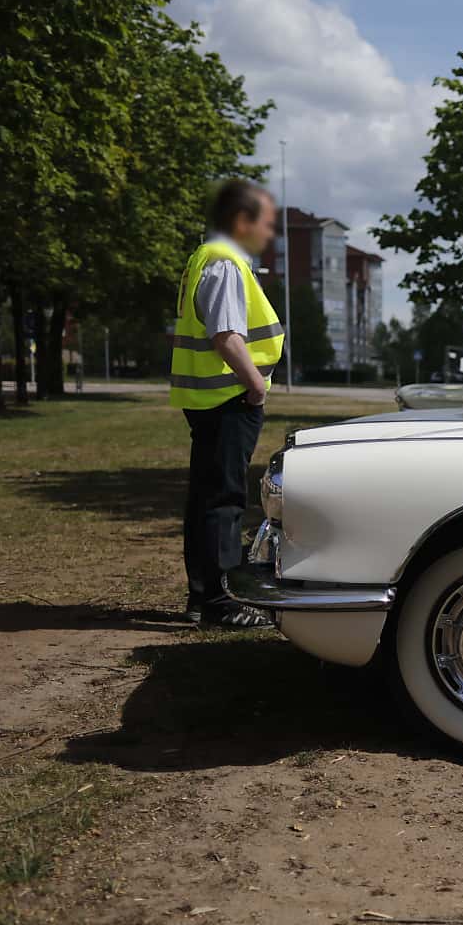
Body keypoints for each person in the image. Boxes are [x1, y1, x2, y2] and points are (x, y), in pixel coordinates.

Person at [171, 180, 283, 628]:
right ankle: (221, 604)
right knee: (222, 500)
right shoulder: (225, 263)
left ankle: (203, 598)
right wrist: (255, 386)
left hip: (211, 396)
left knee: (206, 499)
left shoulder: (205, 259)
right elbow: (226, 335)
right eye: (265, 223)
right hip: (228, 397)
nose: (268, 233)